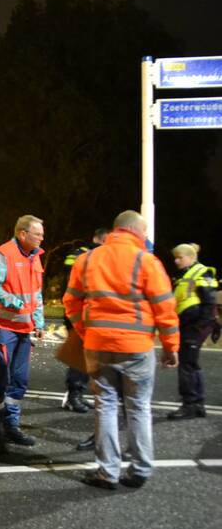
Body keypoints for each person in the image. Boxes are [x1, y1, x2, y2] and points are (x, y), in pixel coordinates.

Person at [62, 210, 178, 490]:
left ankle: (107, 472)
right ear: (138, 233)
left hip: (98, 345)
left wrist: (85, 332)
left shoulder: (87, 259)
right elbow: (165, 308)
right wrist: (171, 346)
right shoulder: (146, 262)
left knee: (106, 407)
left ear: (115, 230)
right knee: (138, 408)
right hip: (136, 348)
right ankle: (139, 470)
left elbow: (71, 302)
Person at [0, 214, 45, 453]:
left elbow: (37, 293)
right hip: (4, 328)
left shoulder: (35, 257)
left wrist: (38, 322)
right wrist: (17, 304)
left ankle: (11, 427)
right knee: (1, 380)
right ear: (23, 234)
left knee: (19, 382)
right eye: (37, 234)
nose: (41, 238)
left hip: (24, 329)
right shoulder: (4, 254)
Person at [167, 243, 219, 420]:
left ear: (190, 257)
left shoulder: (201, 272)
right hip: (190, 325)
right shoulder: (186, 274)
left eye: (180, 257)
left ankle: (189, 405)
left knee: (186, 365)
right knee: (191, 365)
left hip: (194, 326)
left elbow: (209, 302)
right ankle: (198, 404)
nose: (176, 260)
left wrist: (201, 326)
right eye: (175, 257)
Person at [61, 228, 109, 413]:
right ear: (103, 240)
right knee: (80, 357)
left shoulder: (82, 254)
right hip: (79, 311)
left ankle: (77, 394)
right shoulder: (85, 256)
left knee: (86, 357)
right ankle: (73, 396)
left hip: (81, 310)